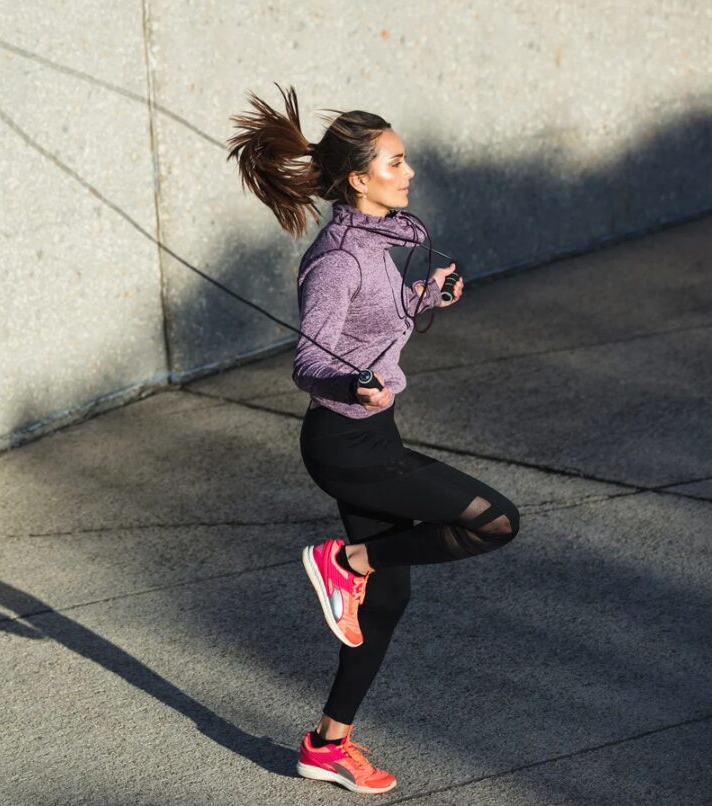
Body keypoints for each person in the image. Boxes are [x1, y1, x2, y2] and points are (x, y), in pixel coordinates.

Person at [227, 85, 522, 795]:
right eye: (395, 161)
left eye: (404, 158)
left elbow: (381, 316)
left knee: (387, 605)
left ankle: (327, 745)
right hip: (346, 445)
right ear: (359, 179)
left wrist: (427, 297)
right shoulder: (335, 261)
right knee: (495, 520)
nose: (409, 170)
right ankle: (345, 560)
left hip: (370, 435)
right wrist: (349, 383)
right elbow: (310, 360)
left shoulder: (393, 238)